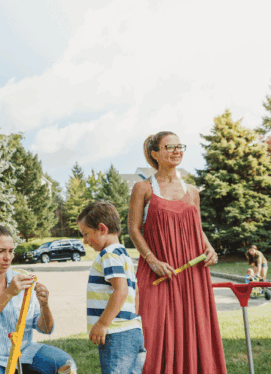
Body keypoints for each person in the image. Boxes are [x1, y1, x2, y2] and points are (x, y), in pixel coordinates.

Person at [127, 131, 225, 373]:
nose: (176, 150)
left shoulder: (192, 191)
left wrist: (209, 247)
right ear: (155, 154)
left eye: (180, 146)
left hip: (192, 274)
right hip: (158, 272)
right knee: (152, 330)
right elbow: (133, 229)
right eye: (169, 146)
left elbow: (197, 228)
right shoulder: (142, 188)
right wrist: (152, 260)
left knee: (193, 327)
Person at [0, 225, 75, 374]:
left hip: (24, 352)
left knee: (67, 366)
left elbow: (45, 328)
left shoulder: (22, 280)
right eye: (1, 251)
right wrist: (8, 293)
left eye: (11, 251)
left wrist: (44, 305)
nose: (7, 257)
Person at [77, 200, 145, 374]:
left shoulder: (108, 255)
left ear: (102, 228)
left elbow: (121, 290)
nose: (85, 241)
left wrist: (102, 323)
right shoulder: (123, 254)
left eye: (86, 234)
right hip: (133, 331)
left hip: (117, 334)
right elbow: (134, 292)